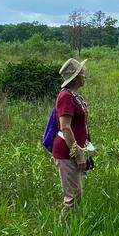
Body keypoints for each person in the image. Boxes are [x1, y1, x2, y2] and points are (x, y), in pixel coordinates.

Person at [52, 58, 90, 221]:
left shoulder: (75, 96)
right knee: (72, 198)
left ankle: (75, 227)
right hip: (67, 153)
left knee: (77, 194)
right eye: (82, 73)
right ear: (74, 78)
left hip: (74, 151)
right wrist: (78, 153)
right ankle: (63, 233)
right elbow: (65, 127)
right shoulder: (66, 97)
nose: (84, 75)